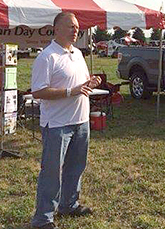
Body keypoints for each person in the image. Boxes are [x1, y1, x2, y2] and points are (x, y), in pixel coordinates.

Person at [31, 12, 101, 229]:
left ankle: (69, 204)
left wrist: (90, 82)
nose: (76, 30)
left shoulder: (78, 53)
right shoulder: (47, 57)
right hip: (57, 125)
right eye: (71, 26)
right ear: (57, 29)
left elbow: (80, 85)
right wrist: (72, 90)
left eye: (77, 27)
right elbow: (38, 92)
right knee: (51, 172)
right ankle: (43, 219)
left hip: (80, 121)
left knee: (76, 167)